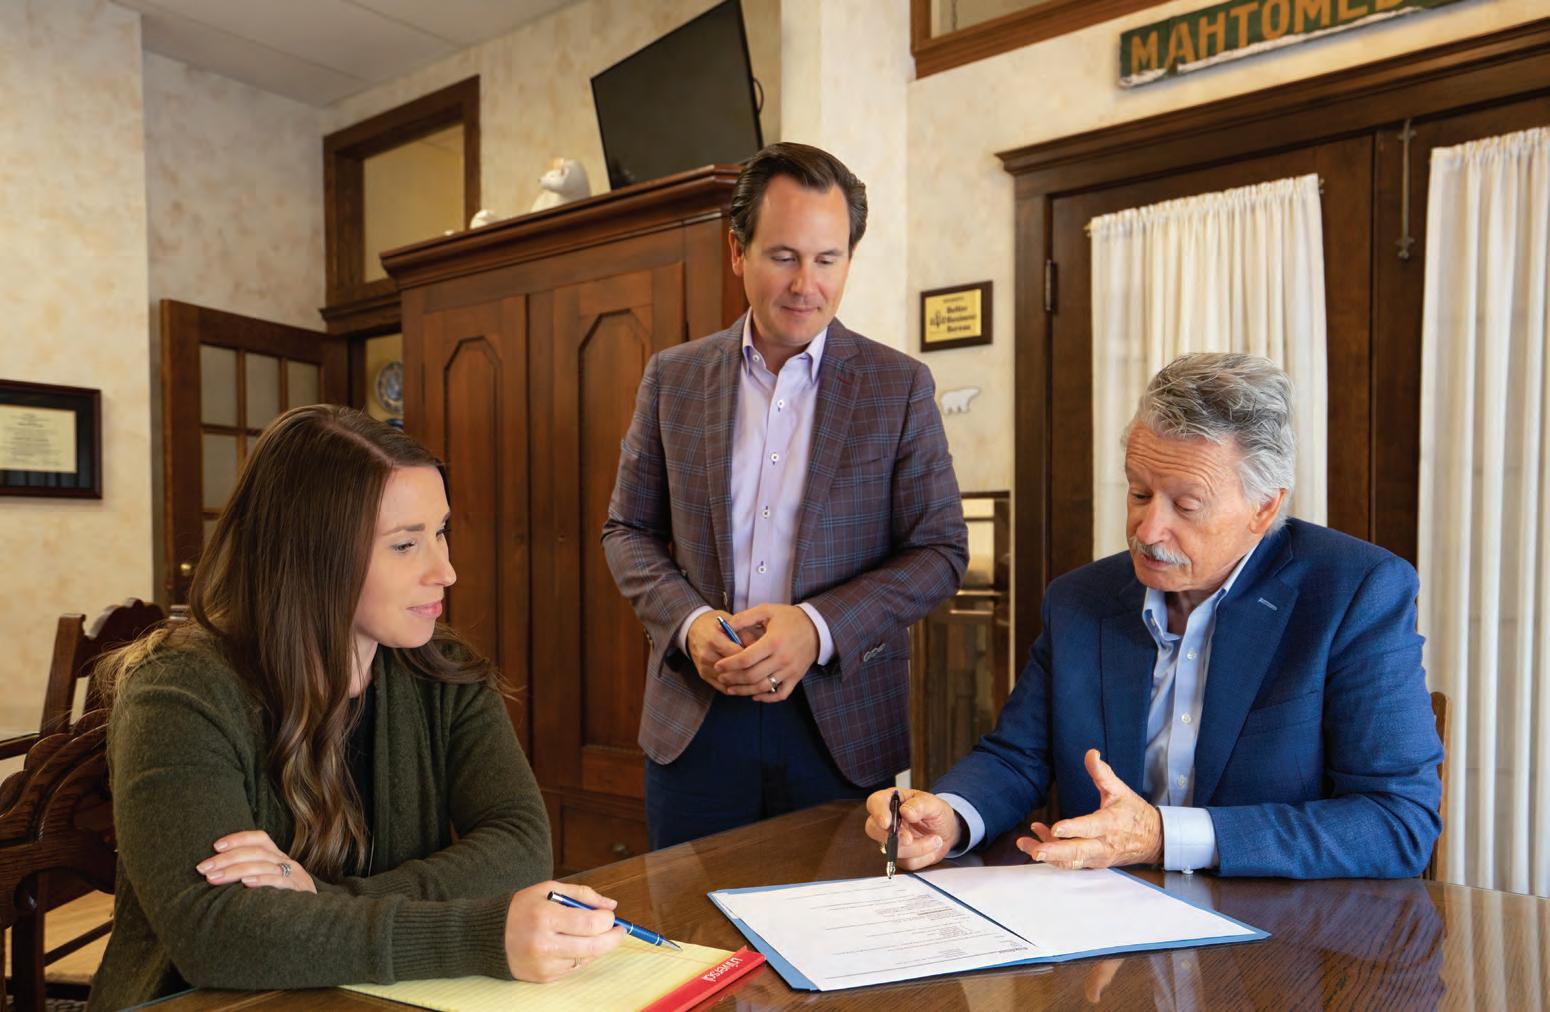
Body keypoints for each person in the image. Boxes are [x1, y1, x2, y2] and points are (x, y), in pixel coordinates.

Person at [90, 406, 622, 1010]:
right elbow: (217, 933)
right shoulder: (177, 692)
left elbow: (521, 845)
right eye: (405, 544)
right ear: (311, 554)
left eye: (441, 531)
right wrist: (474, 934)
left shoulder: (442, 669)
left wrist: (320, 900)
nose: (446, 571)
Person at [866, 353, 1443, 879]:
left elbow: (1397, 821)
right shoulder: (1080, 600)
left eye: (1185, 506)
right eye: (1139, 494)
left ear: (1264, 509)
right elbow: (1017, 756)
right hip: (1103, 926)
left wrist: (1163, 837)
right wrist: (950, 816)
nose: (1148, 530)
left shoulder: (1354, 592)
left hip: (1282, 933)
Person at [603, 142, 969, 849]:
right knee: (687, 919)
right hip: (695, 724)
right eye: (783, 256)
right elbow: (627, 530)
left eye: (827, 259)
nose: (807, 284)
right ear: (737, 252)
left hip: (841, 731)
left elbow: (940, 551)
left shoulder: (898, 387)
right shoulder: (672, 378)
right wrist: (690, 623)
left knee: (838, 919)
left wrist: (817, 627)